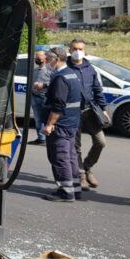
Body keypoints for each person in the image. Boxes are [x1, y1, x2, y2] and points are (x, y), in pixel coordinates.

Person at [41, 47, 83, 202]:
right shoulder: (72, 74)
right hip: (72, 123)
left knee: (60, 157)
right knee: (70, 156)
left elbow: (58, 105)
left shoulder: (61, 78)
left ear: (56, 59)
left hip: (61, 125)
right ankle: (75, 189)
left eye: (47, 58)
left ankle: (65, 192)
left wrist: (49, 124)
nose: (45, 61)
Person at [66, 39, 108, 190]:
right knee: (76, 146)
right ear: (70, 50)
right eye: (75, 48)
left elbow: (97, 89)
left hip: (90, 112)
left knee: (100, 142)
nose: (78, 51)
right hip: (72, 113)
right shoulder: (65, 67)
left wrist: (103, 109)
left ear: (85, 51)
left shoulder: (89, 68)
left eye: (81, 49)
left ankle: (88, 166)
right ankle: (82, 175)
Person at [28, 50, 50, 145]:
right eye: (35, 57)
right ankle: (41, 138)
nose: (36, 59)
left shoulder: (50, 70)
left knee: (47, 119)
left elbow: (55, 82)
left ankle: (50, 139)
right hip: (35, 97)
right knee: (38, 119)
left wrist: (44, 85)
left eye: (38, 57)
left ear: (45, 58)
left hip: (45, 98)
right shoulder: (35, 70)